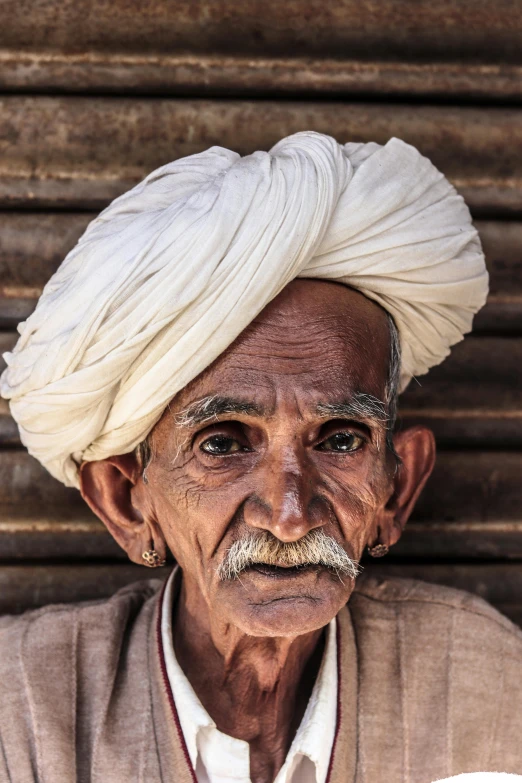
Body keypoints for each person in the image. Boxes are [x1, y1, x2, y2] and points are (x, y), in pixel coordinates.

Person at [1, 132, 521, 783]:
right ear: (125, 499)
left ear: (397, 487)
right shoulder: (17, 715)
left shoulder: (487, 688)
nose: (289, 514)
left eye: (339, 439)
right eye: (222, 442)